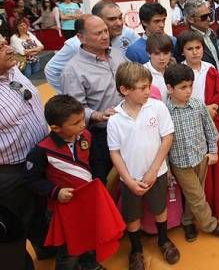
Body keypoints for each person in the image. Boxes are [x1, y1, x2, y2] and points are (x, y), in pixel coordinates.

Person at [107, 62, 180, 270]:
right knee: (132, 216)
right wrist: (128, 181)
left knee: (160, 208)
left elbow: (167, 138)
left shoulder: (157, 107)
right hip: (130, 178)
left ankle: (163, 240)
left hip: (157, 173)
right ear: (124, 90)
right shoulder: (115, 120)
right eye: (142, 88)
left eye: (149, 86)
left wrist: (154, 170)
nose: (148, 91)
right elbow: (115, 152)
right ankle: (136, 249)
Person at [23, 95, 106, 270]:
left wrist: (99, 182)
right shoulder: (42, 151)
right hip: (63, 210)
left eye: (82, 119)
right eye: (75, 123)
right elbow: (32, 180)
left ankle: (91, 265)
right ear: (56, 128)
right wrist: (56, 192)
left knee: (91, 237)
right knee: (70, 250)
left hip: (88, 202)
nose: (82, 125)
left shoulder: (86, 137)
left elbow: (97, 160)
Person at [163, 64, 219, 243]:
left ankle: (187, 222)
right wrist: (167, 167)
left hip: (201, 157)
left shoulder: (198, 104)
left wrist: (213, 152)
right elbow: (162, 142)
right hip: (180, 162)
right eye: (183, 87)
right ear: (170, 88)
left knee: (196, 194)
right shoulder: (164, 110)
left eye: (190, 86)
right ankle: (211, 225)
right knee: (197, 195)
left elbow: (210, 129)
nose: (188, 91)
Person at [0, 34, 49, 266]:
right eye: (0, 47)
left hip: (39, 159)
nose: (9, 48)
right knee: (14, 228)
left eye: (5, 42)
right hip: (11, 172)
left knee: (40, 214)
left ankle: (46, 250)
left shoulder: (13, 70)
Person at [61, 15, 127, 184]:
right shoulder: (73, 70)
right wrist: (98, 115)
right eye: (98, 33)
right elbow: (74, 109)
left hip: (128, 127)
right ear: (80, 37)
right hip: (100, 135)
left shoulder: (117, 55)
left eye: (105, 31)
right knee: (107, 182)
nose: (105, 36)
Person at [178, 30, 219, 218]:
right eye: (189, 49)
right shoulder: (178, 71)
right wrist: (203, 110)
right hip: (189, 125)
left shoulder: (210, 69)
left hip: (212, 123)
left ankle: (217, 201)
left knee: (216, 162)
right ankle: (197, 210)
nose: (195, 52)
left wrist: (214, 108)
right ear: (182, 51)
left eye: (198, 47)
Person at [44, 0, 139, 93]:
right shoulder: (75, 44)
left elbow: (143, 49)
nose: (119, 23)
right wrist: (67, 95)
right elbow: (51, 70)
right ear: (97, 20)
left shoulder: (127, 33)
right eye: (112, 19)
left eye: (120, 17)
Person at [183, 1, 219, 69]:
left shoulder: (212, 33)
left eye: (210, 15)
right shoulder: (186, 40)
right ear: (191, 19)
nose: (209, 19)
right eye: (204, 17)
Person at [143, 34, 173, 102]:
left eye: (165, 53)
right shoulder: (141, 73)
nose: (162, 58)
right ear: (148, 53)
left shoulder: (174, 71)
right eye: (157, 53)